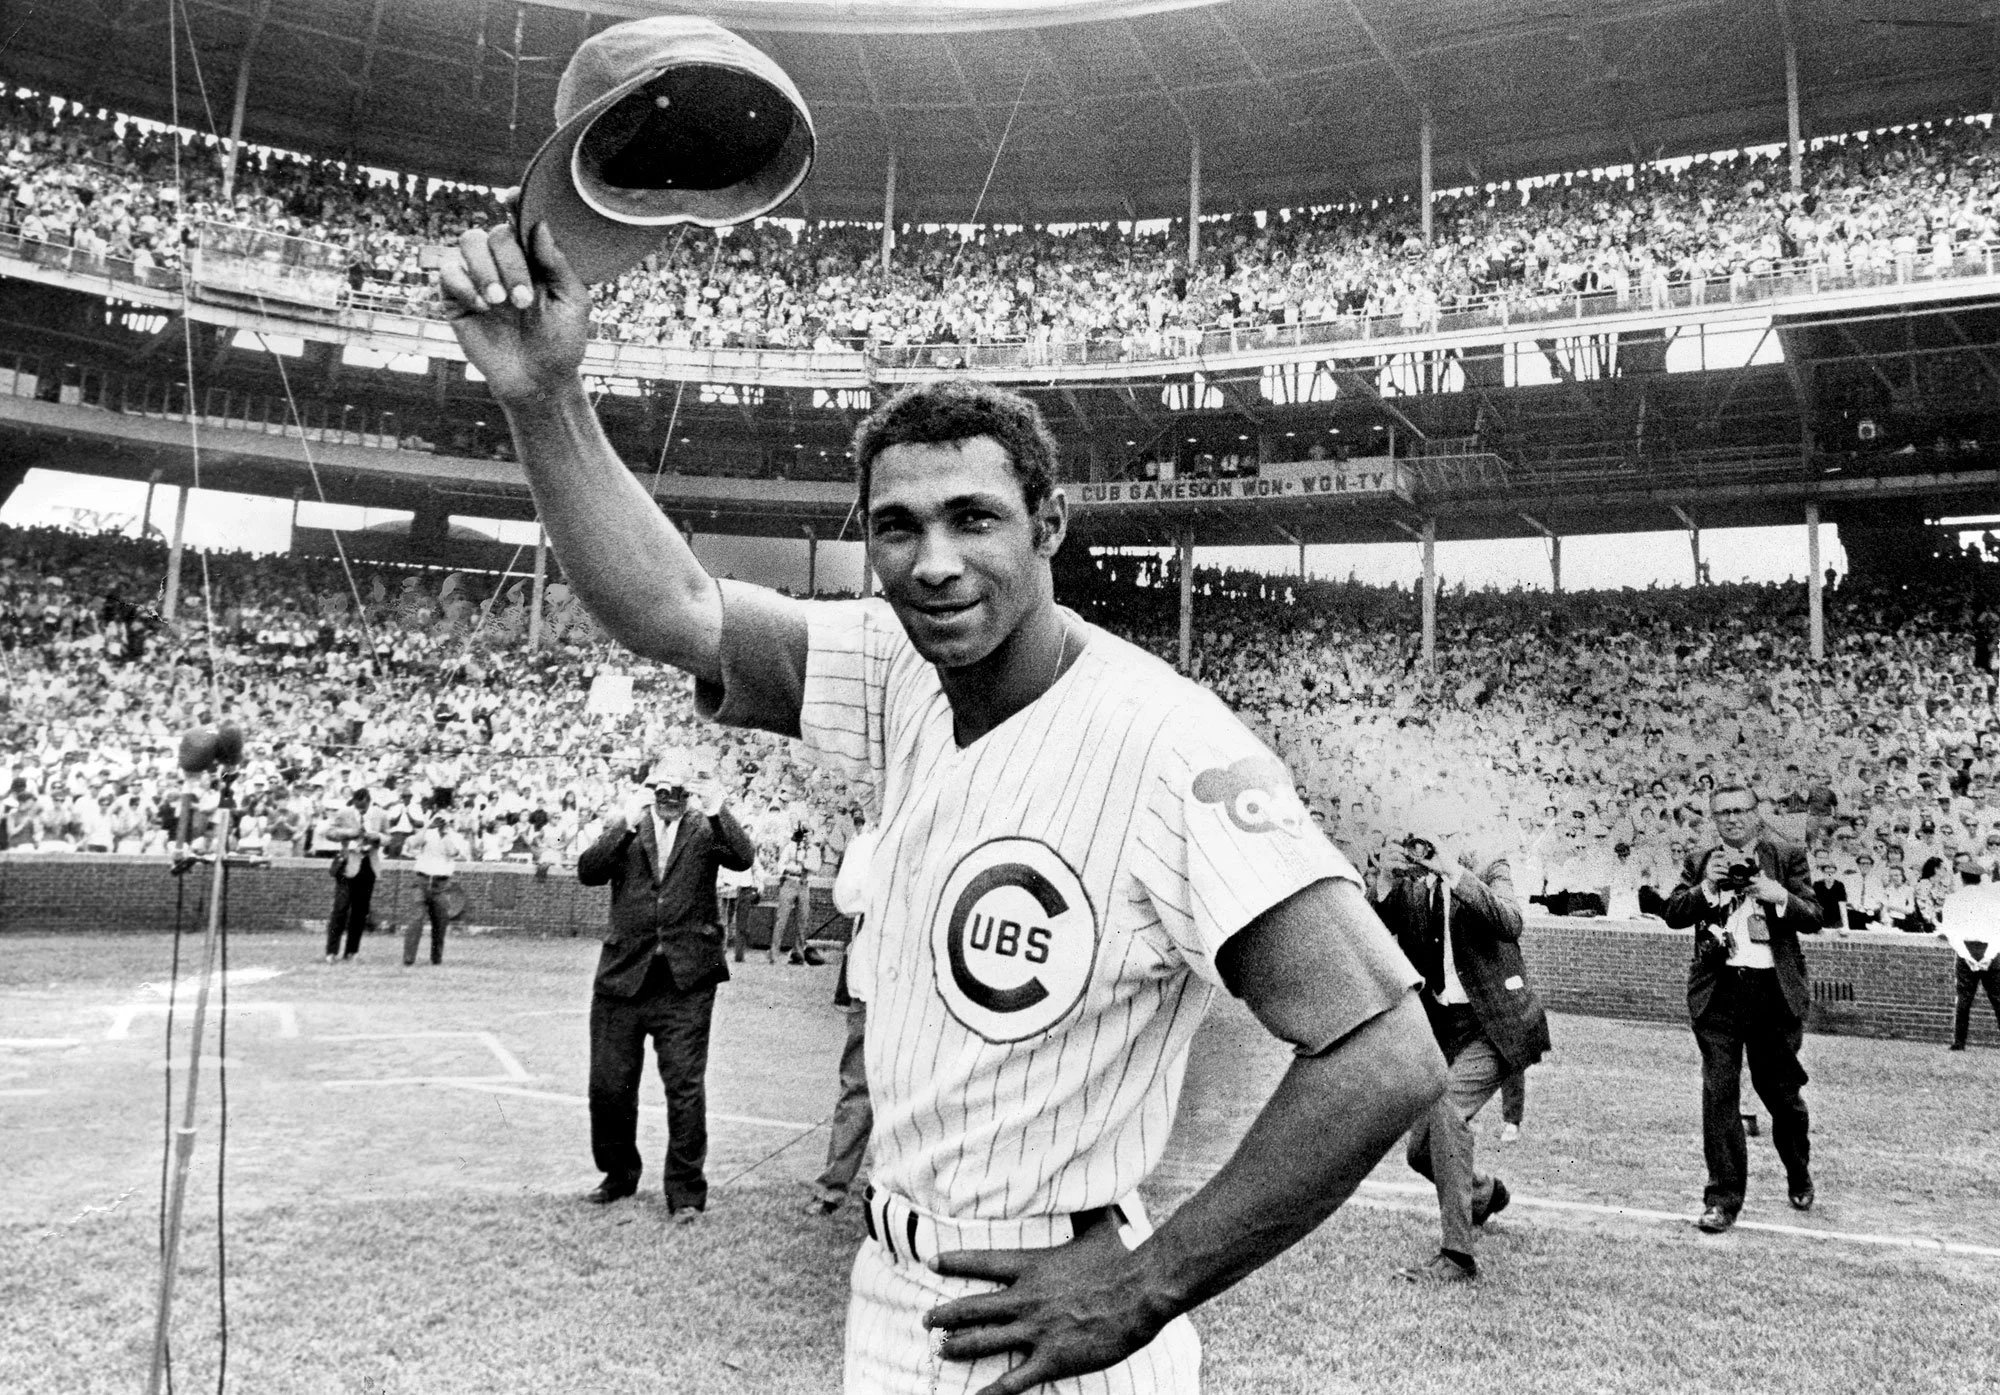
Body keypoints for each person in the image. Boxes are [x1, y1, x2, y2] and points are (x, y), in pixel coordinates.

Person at [442, 217, 1445, 1395]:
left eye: (973, 518)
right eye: (896, 527)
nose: (932, 562)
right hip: (889, 1288)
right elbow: (670, 607)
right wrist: (544, 395)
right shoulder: (897, 667)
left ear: (1048, 524)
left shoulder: (1169, 745)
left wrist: (1146, 1288)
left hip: (1047, 1308)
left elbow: (1385, 1053)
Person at [1370, 807, 1550, 1282]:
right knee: (1419, 1152)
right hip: (1444, 1027)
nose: (1428, 844)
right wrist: (1384, 883)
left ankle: (1457, 1255)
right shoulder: (1412, 882)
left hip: (1496, 1024)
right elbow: (1370, 932)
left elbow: (1510, 921)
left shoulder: (1489, 864)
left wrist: (1454, 871)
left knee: (1448, 1114)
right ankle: (1484, 1194)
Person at [575, 757, 757, 1221]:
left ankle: (686, 1193)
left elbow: (743, 858)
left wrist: (716, 807)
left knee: (685, 1088)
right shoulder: (629, 827)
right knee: (609, 1085)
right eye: (662, 789)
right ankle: (618, 1176)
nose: (670, 799)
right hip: (624, 975)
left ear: (690, 793)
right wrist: (624, 823)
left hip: (685, 981)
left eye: (679, 790)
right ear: (650, 788)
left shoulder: (705, 827)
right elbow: (589, 871)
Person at [1663, 783, 1819, 1234]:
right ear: (1714, 818)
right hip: (1720, 993)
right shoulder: (1701, 860)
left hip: (1773, 994)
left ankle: (1798, 1171)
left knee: (1781, 1096)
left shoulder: (1786, 856)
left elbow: (1814, 916)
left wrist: (1777, 894)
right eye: (1722, 813)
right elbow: (1674, 913)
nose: (1731, 819)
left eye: (1739, 810)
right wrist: (1708, 886)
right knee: (1719, 1095)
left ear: (1756, 813)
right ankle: (1722, 1199)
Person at [808, 824, 878, 1217]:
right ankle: (832, 1188)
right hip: (871, 985)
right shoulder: (868, 842)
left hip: (924, 990)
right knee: (858, 1088)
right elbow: (848, 898)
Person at [400, 812, 470, 966]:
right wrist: (427, 827)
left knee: (440, 923)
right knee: (416, 919)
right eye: (439, 820)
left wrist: (444, 835)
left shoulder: (456, 837)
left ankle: (436, 958)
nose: (442, 823)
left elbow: (453, 852)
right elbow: (412, 843)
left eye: (445, 821)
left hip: (441, 884)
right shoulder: (427, 833)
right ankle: (408, 959)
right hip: (421, 880)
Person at [324, 787, 385, 962]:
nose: (361, 810)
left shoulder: (380, 814)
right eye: (358, 807)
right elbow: (329, 833)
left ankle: (352, 951)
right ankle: (332, 951)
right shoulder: (344, 813)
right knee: (340, 909)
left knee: (360, 911)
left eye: (364, 807)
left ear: (369, 802)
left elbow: (389, 837)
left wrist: (377, 837)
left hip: (368, 865)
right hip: (348, 864)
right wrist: (349, 833)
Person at [1939, 882, 2000, 1050]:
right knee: (1997, 998)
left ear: (1962, 879)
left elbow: (1951, 932)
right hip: (1990, 949)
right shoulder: (1993, 899)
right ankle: (1959, 1042)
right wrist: (1989, 956)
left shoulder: (1954, 899)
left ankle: (1959, 1042)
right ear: (1981, 879)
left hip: (1966, 947)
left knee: (1964, 998)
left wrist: (1966, 956)